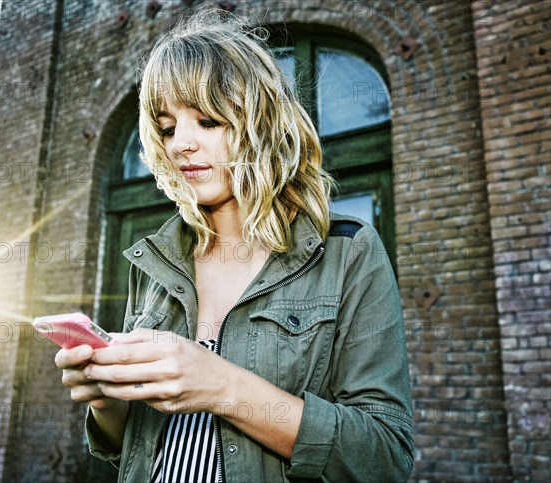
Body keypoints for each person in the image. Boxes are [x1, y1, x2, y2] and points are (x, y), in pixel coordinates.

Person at [55, 7, 413, 483]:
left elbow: (384, 457)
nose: (181, 143)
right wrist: (108, 399)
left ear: (262, 121)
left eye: (207, 120)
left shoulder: (348, 250)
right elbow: (132, 448)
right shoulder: (156, 260)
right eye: (166, 127)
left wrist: (221, 385)